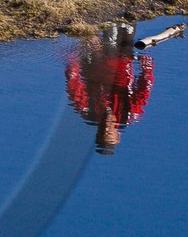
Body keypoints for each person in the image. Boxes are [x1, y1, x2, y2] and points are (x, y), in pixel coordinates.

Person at [65, 23, 154, 154]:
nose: (106, 129)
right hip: (121, 63)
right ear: (118, 135)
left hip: (94, 64)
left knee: (92, 35)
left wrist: (73, 65)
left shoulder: (89, 112)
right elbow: (144, 90)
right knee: (127, 26)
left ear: (97, 132)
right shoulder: (128, 115)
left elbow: (74, 88)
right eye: (109, 133)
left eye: (102, 133)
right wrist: (147, 69)